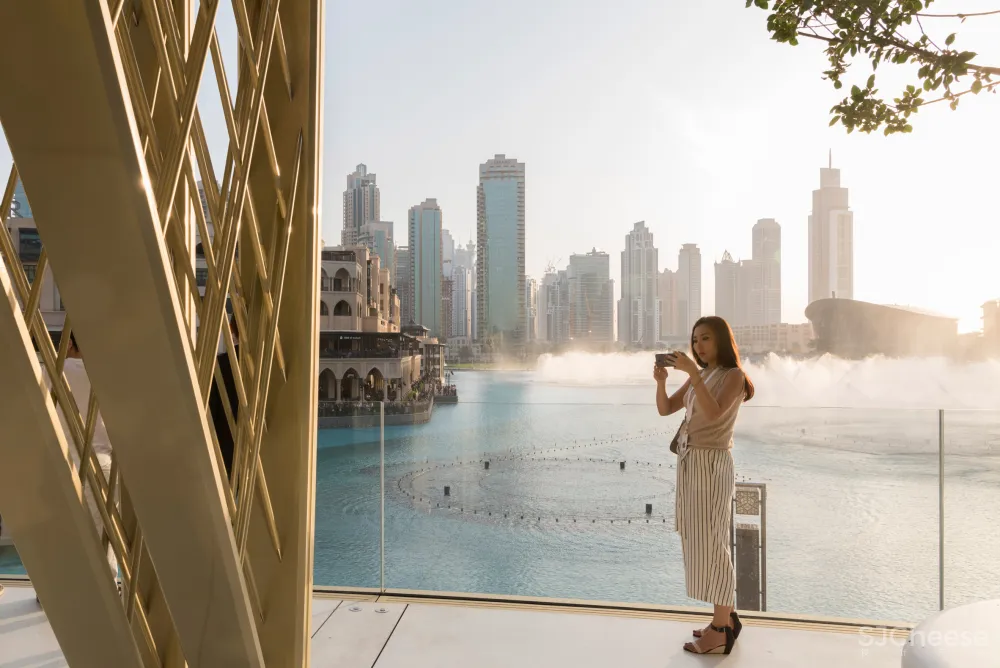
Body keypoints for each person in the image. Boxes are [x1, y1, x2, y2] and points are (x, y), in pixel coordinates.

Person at [653, 316, 755, 655]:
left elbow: (714, 414)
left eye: (705, 338)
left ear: (721, 340)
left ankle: (721, 630)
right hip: (691, 462)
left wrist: (693, 375)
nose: (698, 346)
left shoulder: (732, 376)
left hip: (711, 464)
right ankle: (724, 619)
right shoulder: (703, 374)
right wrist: (661, 382)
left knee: (713, 542)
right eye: (695, 339)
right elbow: (666, 408)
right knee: (700, 540)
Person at [209, 315, 240, 480]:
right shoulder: (271, 371)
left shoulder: (218, 366)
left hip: (225, 454)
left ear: (232, 328)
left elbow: (209, 414)